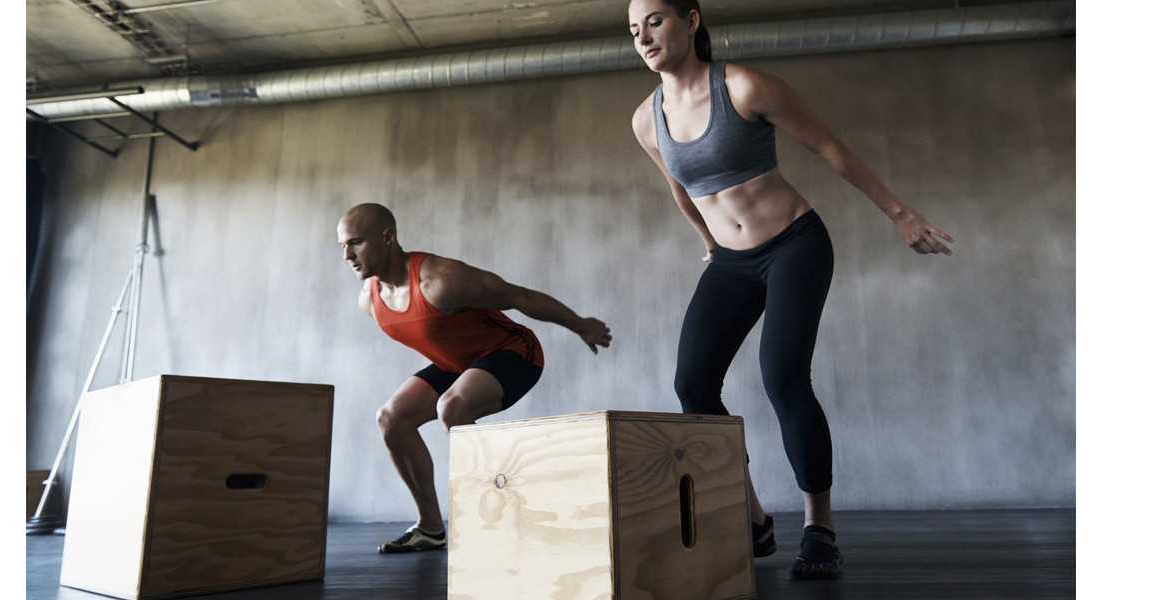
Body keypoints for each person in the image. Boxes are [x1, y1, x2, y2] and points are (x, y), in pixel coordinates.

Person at [626, 0, 954, 579]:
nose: (643, 36)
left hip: (793, 246)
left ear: (691, 20)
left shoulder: (746, 87)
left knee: (782, 375)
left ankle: (819, 529)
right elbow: (680, 188)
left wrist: (901, 215)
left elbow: (830, 148)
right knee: (693, 383)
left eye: (654, 19)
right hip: (731, 261)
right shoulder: (645, 119)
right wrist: (709, 240)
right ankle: (752, 520)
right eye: (633, 29)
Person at [337, 202, 612, 553]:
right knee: (392, 419)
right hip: (457, 363)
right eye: (343, 246)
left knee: (452, 407)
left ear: (387, 237)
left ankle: (493, 516)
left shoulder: (440, 281)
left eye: (355, 243)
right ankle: (431, 528)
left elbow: (518, 296)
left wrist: (581, 325)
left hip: (514, 352)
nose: (347, 255)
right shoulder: (370, 299)